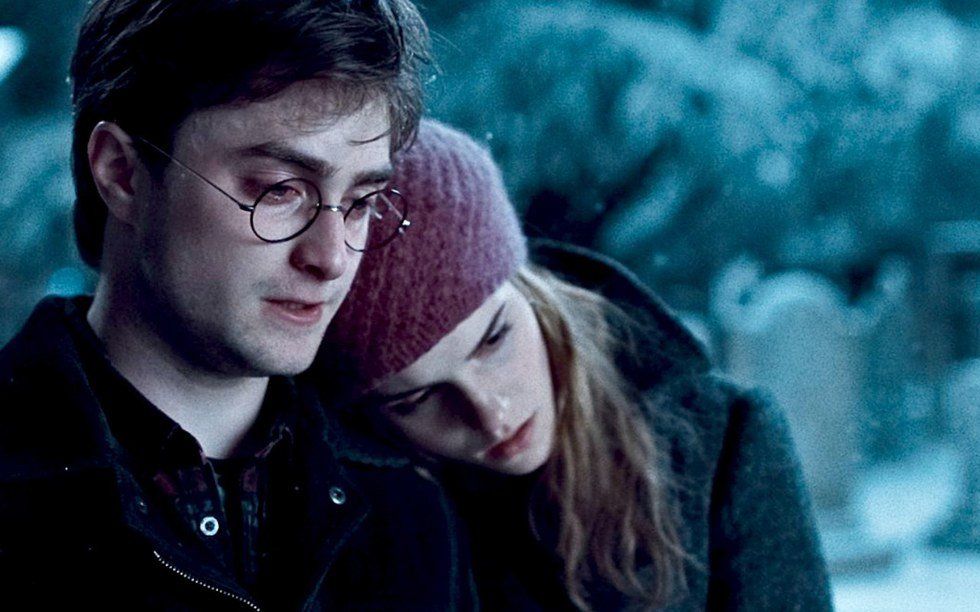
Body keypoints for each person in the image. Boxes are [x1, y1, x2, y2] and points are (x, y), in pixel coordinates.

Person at [0, 2, 476, 609]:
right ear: (122, 173)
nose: (331, 258)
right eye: (279, 190)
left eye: (362, 203)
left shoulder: (411, 515)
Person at [316, 120, 834, 610]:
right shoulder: (360, 520)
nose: (491, 416)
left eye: (494, 340)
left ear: (534, 294)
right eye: (417, 399)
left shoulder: (726, 445)